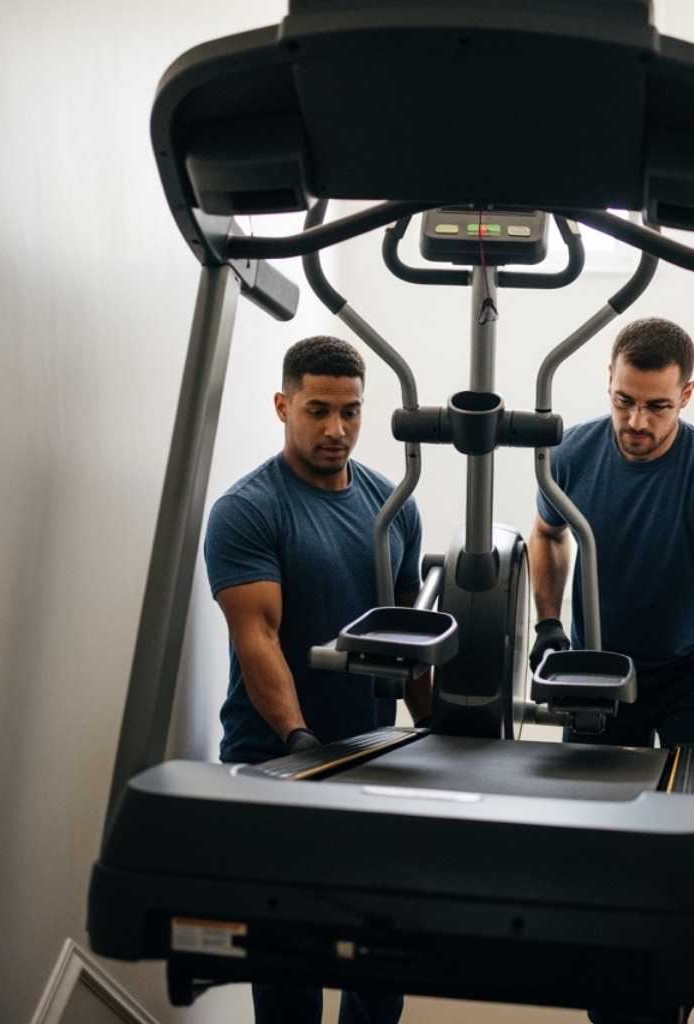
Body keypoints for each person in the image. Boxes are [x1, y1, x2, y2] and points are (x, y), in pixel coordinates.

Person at [204, 335, 427, 1024]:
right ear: (283, 405)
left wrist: (450, 738)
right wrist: (301, 743)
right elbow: (257, 637)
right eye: (318, 410)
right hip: (275, 757)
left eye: (352, 412)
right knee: (288, 970)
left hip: (370, 760)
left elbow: (413, 637)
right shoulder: (248, 510)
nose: (337, 430)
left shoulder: (395, 506)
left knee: (379, 965)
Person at [529, 317, 694, 790]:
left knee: (692, 803)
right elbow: (548, 534)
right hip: (599, 663)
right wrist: (548, 624)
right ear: (609, 377)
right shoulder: (569, 456)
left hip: (691, 666)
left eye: (657, 406)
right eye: (624, 401)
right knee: (587, 807)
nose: (636, 421)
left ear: (686, 396)